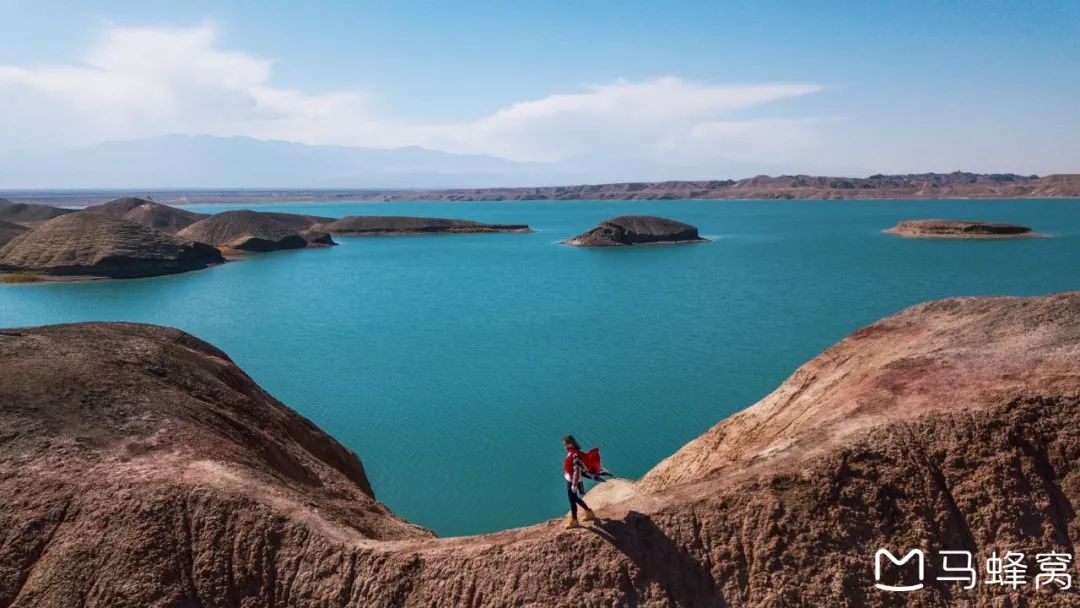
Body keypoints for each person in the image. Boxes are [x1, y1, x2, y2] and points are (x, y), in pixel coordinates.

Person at [562, 434, 595, 528]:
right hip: (571, 479)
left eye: (565, 444)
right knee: (575, 498)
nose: (564, 446)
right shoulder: (573, 452)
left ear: (570, 444)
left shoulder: (574, 454)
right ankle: (589, 512)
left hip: (573, 481)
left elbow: (576, 470)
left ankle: (574, 520)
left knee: (572, 500)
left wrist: (574, 485)